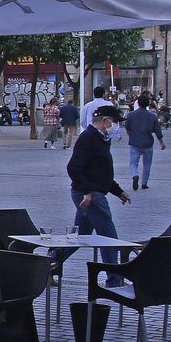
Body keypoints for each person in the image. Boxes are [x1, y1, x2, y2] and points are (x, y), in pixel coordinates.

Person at [68, 104, 131, 281]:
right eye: (115, 122)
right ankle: (115, 279)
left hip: (92, 192)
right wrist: (87, 192)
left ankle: (50, 263)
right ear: (105, 121)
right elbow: (74, 168)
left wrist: (118, 191)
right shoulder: (88, 138)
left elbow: (100, 172)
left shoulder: (102, 139)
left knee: (79, 237)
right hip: (90, 195)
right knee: (109, 237)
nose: (117, 126)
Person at [122, 94, 166, 190]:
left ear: (138, 103)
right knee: (147, 164)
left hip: (135, 142)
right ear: (148, 104)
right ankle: (144, 183)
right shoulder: (152, 116)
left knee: (133, 162)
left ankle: (135, 175)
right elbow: (158, 131)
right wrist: (161, 143)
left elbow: (127, 128)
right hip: (148, 142)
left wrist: (131, 136)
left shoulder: (131, 115)